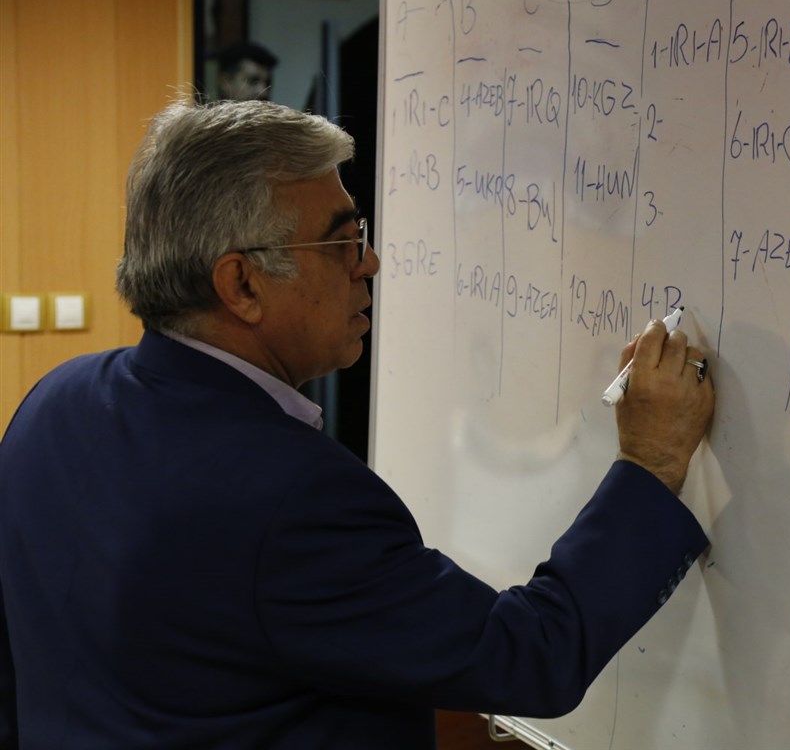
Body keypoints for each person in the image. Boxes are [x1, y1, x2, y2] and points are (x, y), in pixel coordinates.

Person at [0, 100, 715, 748]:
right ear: (242, 284)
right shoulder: (290, 497)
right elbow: (529, 656)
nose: (369, 263)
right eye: (340, 243)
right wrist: (650, 463)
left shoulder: (53, 404)